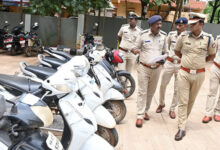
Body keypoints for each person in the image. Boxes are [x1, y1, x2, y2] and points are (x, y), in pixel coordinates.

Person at [174, 12, 216, 141]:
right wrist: (186, 61)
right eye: (190, 23)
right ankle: (181, 127)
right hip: (184, 73)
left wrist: (198, 63)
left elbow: (212, 55)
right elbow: (177, 51)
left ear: (201, 24)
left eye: (194, 24)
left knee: (191, 101)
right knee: (183, 100)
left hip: (199, 74)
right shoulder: (183, 36)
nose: (190, 26)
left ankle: (183, 120)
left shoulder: (209, 38)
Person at [132, 15, 168, 128]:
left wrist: (164, 58)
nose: (160, 26)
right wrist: (135, 50)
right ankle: (140, 115)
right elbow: (134, 47)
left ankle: (145, 110)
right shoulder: (143, 35)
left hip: (157, 69)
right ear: (151, 25)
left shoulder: (164, 36)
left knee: (151, 92)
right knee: (142, 91)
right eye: (157, 24)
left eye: (160, 24)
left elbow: (166, 51)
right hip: (144, 67)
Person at [156, 17, 188, 119]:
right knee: (162, 85)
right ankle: (161, 103)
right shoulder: (171, 35)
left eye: (181, 25)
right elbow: (167, 47)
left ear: (185, 26)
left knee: (177, 88)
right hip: (169, 63)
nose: (178, 27)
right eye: (177, 25)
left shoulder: (188, 37)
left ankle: (172, 109)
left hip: (180, 64)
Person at [202, 35, 220, 123]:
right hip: (216, 68)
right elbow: (213, 51)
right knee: (212, 91)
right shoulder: (219, 38)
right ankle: (208, 114)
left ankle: (218, 112)